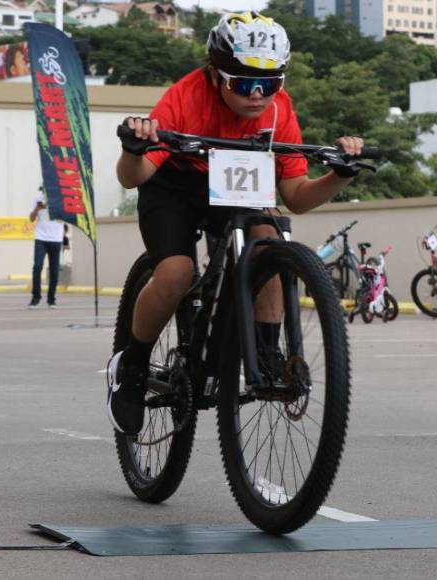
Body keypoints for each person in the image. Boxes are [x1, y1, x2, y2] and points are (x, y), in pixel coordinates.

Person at [106, 11, 365, 435]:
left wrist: (341, 175)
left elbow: (297, 197)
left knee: (269, 238)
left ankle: (266, 354)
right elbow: (132, 178)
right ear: (214, 74)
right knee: (176, 272)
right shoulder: (185, 97)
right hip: (175, 185)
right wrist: (133, 150)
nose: (258, 95)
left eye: (271, 83)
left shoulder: (279, 110)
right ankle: (131, 366)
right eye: (244, 83)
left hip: (233, 187)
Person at [29, 186, 64, 309]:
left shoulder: (61, 198)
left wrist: (50, 205)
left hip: (56, 237)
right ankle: (35, 297)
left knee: (54, 270)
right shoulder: (38, 199)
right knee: (37, 266)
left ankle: (51, 299)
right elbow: (31, 219)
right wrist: (37, 208)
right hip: (41, 237)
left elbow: (65, 216)